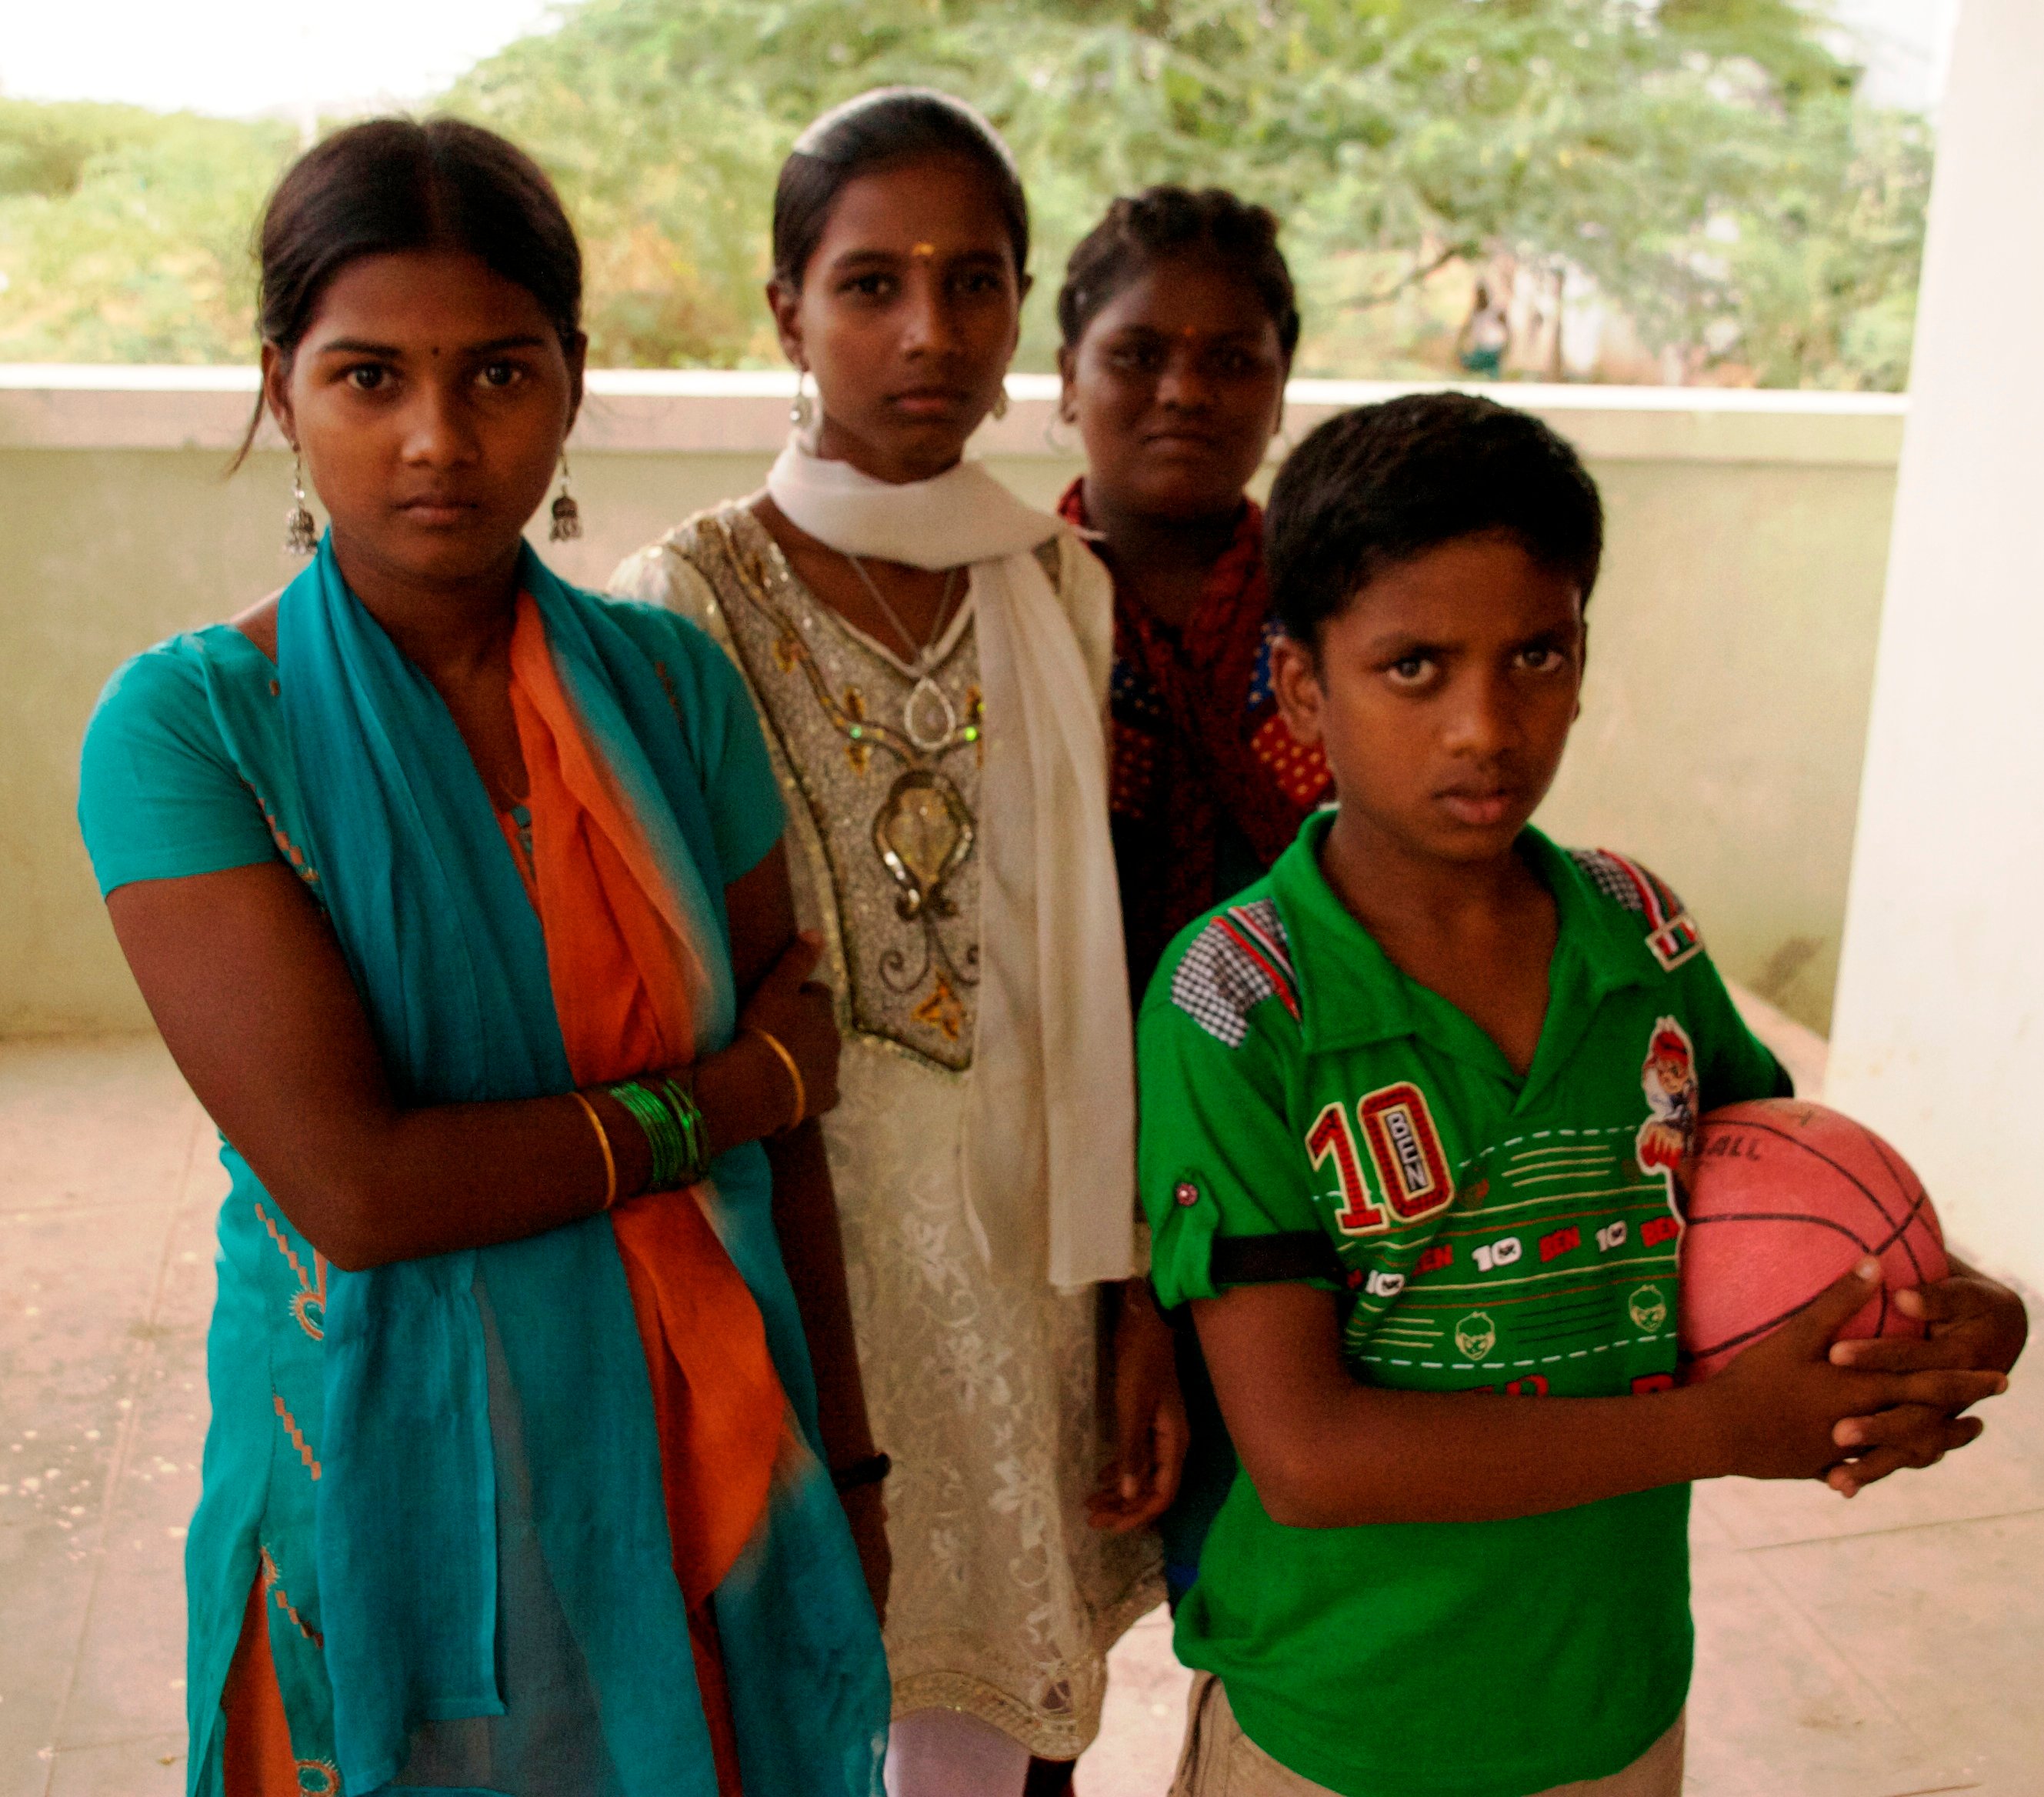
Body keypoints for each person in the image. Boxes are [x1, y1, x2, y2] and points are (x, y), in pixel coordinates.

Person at [76, 118, 890, 1797]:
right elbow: (360, 1191)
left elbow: (792, 1122)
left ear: (573, 384)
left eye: (499, 374)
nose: (438, 439)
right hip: (376, 1459)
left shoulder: (671, 693)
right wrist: (708, 1101)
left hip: (704, 1455)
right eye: (369, 378)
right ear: (282, 386)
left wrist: (852, 1470)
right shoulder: (194, 732)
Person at [1135, 392, 2029, 1797]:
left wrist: (1940, 1300)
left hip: (1608, 1697)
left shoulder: (1641, 936)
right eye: (1413, 668)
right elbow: (1307, 1455)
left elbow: (1777, 1207)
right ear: (1303, 689)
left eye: (1533, 656)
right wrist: (1718, 1434)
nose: (1485, 727)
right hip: (1341, 1724)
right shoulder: (1240, 998)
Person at [610, 88, 1171, 1797]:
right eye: (871, 283)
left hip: (1030, 1263)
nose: (930, 331)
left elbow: (1100, 979)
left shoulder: (1058, 582)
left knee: (1019, 1707)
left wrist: (1136, 1291)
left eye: (977, 279)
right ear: (786, 310)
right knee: (792, 1703)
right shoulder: (685, 600)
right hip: (808, 1256)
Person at [1052, 185, 1331, 1605]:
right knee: (1027, 1641)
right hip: (1048, 1169)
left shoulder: (1347, 609)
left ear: (1282, 385)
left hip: (1294, 1156)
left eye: (1233, 359)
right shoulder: (997, 609)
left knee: (1283, 1579)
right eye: (1138, 353)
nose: (1183, 391)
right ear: (1065, 378)